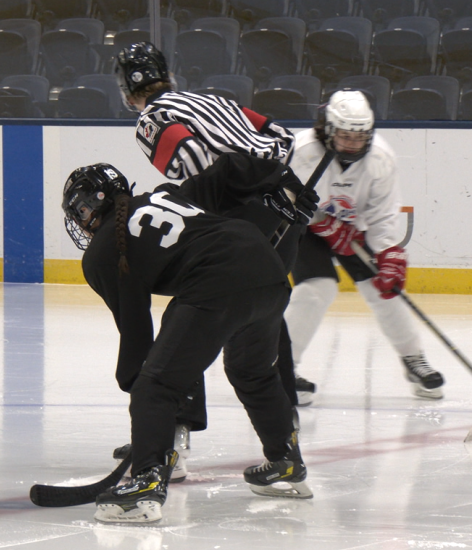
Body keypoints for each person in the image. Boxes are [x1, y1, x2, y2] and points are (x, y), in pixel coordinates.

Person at [62, 162, 312, 524]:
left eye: (80, 211)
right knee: (251, 371)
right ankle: (286, 461)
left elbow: (136, 335)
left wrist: (146, 402)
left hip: (219, 280)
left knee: (155, 383)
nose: (81, 220)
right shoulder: (163, 195)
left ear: (91, 207)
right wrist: (282, 179)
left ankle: (145, 485)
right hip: (269, 269)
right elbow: (224, 173)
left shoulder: (102, 252)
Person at [110, 41, 307, 473]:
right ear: (168, 73)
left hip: (238, 221)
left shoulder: (152, 118)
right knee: (264, 312)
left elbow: (195, 162)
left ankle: (169, 442)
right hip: (288, 214)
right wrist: (268, 180)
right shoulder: (216, 98)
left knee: (189, 317)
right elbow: (282, 137)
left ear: (126, 90)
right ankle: (285, 439)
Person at [284, 89, 445, 401]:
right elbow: (288, 198)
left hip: (352, 232)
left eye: (359, 138)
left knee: (383, 287)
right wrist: (321, 222)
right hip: (303, 230)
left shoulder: (380, 158)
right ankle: (283, 368)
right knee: (318, 288)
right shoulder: (303, 150)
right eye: (345, 136)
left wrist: (389, 252)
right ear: (328, 129)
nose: (352, 144)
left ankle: (413, 359)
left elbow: (382, 214)